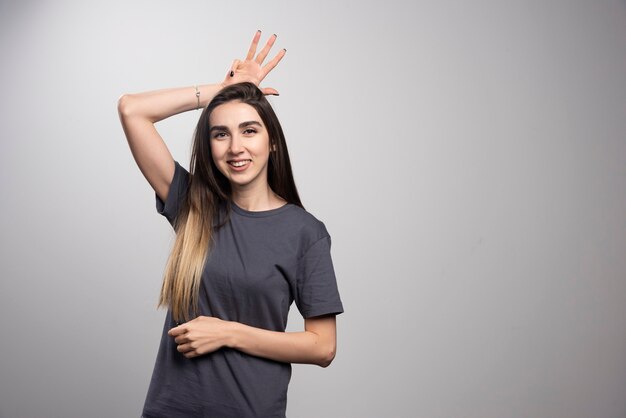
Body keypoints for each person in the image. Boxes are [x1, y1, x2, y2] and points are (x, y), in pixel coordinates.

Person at [117, 30, 344, 418]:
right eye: (221, 134)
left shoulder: (304, 232)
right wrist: (224, 89)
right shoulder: (193, 206)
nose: (235, 147)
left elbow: (322, 347)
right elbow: (131, 109)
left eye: (249, 130)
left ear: (272, 142)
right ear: (210, 146)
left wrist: (228, 333)